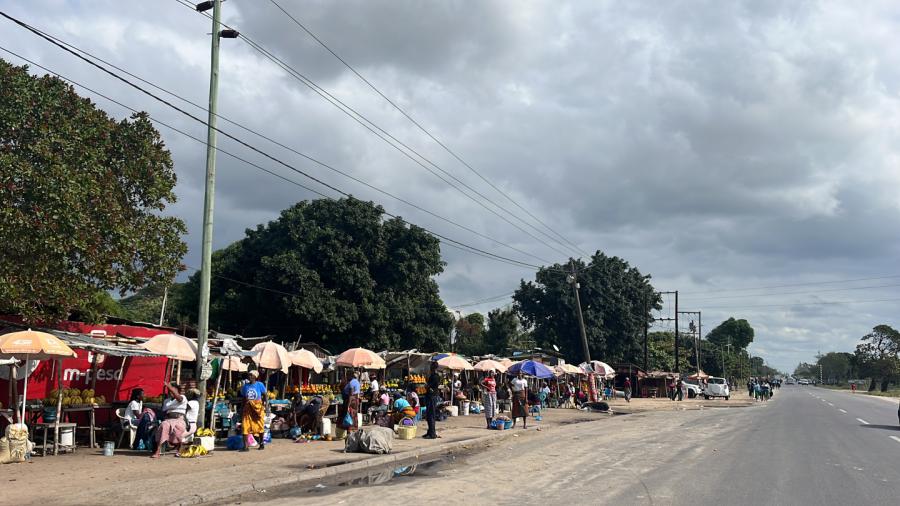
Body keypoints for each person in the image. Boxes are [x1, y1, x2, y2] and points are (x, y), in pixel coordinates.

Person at [151, 383, 187, 459]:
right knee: (163, 426)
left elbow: (179, 398)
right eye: (170, 391)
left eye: (173, 390)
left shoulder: (182, 398)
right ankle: (157, 451)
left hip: (179, 420)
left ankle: (179, 449)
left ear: (178, 391)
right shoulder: (166, 401)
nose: (171, 392)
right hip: (168, 420)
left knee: (178, 430)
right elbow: (164, 411)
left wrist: (169, 387)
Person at [241, 370, 268, 451]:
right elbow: (244, 398)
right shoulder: (245, 386)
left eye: (251, 375)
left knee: (259, 425)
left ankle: (261, 443)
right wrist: (242, 408)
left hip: (258, 408)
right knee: (245, 426)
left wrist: (266, 405)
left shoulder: (260, 384)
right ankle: (245, 446)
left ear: (255, 376)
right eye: (249, 375)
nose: (249, 376)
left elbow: (265, 395)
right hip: (248, 408)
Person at [424, 362, 441, 439]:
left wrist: (426, 385)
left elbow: (429, 386)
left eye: (431, 367)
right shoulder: (435, 376)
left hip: (431, 397)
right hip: (432, 396)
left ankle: (432, 434)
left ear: (433, 368)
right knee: (429, 415)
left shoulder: (434, 376)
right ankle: (430, 432)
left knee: (431, 415)